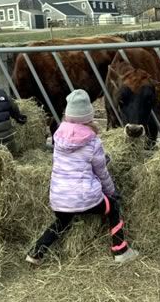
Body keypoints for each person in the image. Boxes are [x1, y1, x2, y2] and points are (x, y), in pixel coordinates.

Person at [25, 89, 138, 265]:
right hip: (85, 198)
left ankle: (36, 253)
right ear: (88, 116)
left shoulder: (58, 138)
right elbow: (102, 172)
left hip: (59, 199)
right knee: (113, 207)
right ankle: (120, 250)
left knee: (62, 220)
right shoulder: (92, 141)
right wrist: (112, 191)